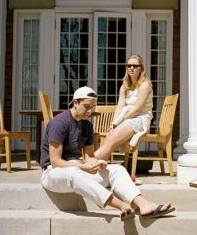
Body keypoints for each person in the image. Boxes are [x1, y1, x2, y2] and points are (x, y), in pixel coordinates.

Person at [40, 86, 174, 220]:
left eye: (92, 107)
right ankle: (122, 206)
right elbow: (55, 162)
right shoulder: (59, 123)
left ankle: (143, 205)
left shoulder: (86, 126)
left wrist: (97, 164)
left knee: (117, 169)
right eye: (86, 106)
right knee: (74, 174)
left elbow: (89, 157)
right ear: (75, 103)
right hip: (53, 173)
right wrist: (83, 167)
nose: (90, 111)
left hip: (77, 169)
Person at [94, 54, 154, 161]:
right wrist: (114, 124)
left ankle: (87, 165)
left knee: (111, 140)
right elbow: (120, 107)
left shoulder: (145, 86)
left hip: (140, 119)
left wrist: (121, 122)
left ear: (141, 69)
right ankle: (96, 168)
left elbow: (137, 109)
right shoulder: (124, 86)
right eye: (129, 65)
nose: (131, 68)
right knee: (110, 139)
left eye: (135, 66)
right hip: (127, 118)